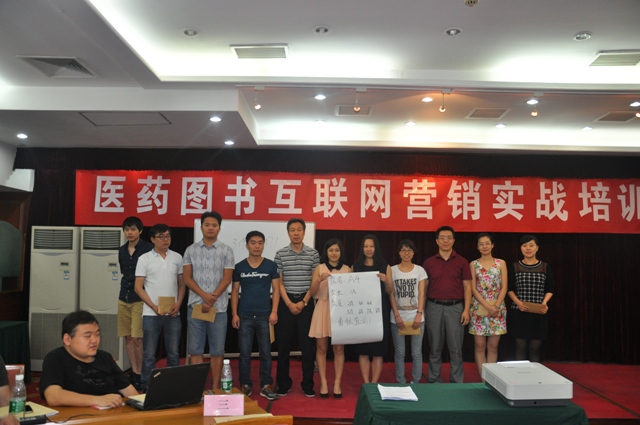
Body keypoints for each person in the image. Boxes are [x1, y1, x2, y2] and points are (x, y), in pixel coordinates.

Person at [39, 310, 138, 407]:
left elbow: (129, 391)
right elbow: (53, 396)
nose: (94, 340)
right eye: (87, 336)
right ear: (67, 339)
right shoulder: (55, 358)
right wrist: (98, 400)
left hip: (112, 413)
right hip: (78, 415)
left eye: (97, 334)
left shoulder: (105, 357)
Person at [183, 211, 235, 391]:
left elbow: (227, 279)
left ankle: (215, 387)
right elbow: (187, 278)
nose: (210, 228)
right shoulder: (190, 250)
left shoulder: (226, 250)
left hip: (219, 309)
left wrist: (211, 299)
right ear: (201, 227)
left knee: (217, 351)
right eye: (207, 225)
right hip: (196, 307)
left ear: (219, 228)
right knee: (195, 350)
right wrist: (205, 296)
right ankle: (197, 388)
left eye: (214, 225)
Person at [134, 224, 185, 391]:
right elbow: (138, 287)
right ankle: (146, 386)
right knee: (149, 354)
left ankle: (172, 386)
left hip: (173, 313)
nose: (165, 239)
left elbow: (182, 284)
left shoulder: (177, 257)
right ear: (152, 239)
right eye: (161, 237)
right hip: (151, 313)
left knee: (174, 353)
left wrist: (178, 304)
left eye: (168, 236)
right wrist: (153, 306)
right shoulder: (144, 259)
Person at [231, 230, 280, 401]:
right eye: (253, 243)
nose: (257, 246)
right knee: (244, 353)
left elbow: (277, 289)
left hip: (265, 316)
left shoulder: (271, 266)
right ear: (247, 245)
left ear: (264, 245)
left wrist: (274, 311)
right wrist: (234, 314)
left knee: (266, 352)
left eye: (260, 243)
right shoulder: (239, 267)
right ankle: (245, 385)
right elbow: (235, 291)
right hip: (244, 315)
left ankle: (266, 385)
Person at [274, 218, 320, 397]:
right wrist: (288, 303)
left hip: (306, 303)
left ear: (304, 232)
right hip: (286, 303)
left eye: (299, 229)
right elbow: (279, 283)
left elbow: (315, 282)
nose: (296, 233)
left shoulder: (313, 254)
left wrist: (303, 302)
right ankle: (283, 384)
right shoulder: (280, 254)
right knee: (283, 346)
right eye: (292, 230)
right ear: (288, 233)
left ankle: (307, 384)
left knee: (308, 347)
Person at [422, 226, 472, 383]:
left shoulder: (462, 262)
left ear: (453, 240)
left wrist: (466, 310)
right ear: (437, 241)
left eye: (449, 238)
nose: (445, 241)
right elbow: (424, 289)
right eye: (442, 238)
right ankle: (434, 380)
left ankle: (456, 382)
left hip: (456, 308)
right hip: (433, 307)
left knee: (456, 349)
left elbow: (467, 287)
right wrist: (422, 310)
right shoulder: (428, 263)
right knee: (434, 347)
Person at [308, 238, 351, 399]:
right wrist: (319, 279)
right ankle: (323, 382)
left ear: (341, 252)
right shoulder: (319, 269)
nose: (334, 253)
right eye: (331, 250)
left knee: (339, 349)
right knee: (321, 348)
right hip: (323, 308)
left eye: (337, 250)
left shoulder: (347, 270)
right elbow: (312, 292)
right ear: (326, 252)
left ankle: (337, 383)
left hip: (340, 310)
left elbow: (352, 293)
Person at [351, 235, 393, 384]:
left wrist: (386, 281)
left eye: (371, 246)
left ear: (376, 248)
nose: (368, 249)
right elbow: (351, 290)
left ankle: (374, 383)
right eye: (366, 246)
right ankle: (366, 383)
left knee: (378, 351)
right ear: (362, 249)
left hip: (379, 313)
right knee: (363, 350)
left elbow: (390, 291)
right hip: (362, 313)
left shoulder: (385, 266)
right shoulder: (355, 267)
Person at [117, 216, 152, 390]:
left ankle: (141, 373)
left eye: (133, 229)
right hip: (123, 297)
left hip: (140, 298)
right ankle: (134, 371)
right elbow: (124, 272)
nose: (129, 232)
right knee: (128, 337)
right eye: (127, 229)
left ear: (140, 231)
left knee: (137, 338)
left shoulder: (148, 248)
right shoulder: (122, 250)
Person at [507, 234, 554, 362]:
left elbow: (550, 289)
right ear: (521, 248)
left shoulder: (545, 267)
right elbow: (509, 289)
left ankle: (535, 374)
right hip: (519, 312)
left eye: (531, 245)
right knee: (520, 348)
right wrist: (518, 303)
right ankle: (519, 374)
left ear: (537, 248)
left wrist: (544, 303)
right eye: (525, 245)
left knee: (535, 348)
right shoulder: (514, 266)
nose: (528, 248)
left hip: (538, 312)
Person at [468, 233, 507, 379]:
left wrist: (495, 306)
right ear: (477, 247)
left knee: (493, 346)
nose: (484, 246)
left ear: (492, 245)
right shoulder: (473, 264)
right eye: (481, 244)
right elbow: (473, 288)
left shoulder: (501, 263)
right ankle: (483, 379)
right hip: (479, 307)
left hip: (497, 307)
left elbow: (504, 287)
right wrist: (487, 306)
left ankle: (491, 379)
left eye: (487, 243)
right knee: (479, 346)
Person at [389, 239, 427, 384]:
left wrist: (419, 314)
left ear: (413, 252)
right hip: (398, 317)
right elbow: (391, 294)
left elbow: (422, 293)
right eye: (403, 250)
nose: (406, 253)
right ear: (399, 253)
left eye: (409, 250)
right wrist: (397, 315)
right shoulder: (392, 270)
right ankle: (401, 381)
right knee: (400, 352)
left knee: (416, 352)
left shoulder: (420, 270)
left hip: (416, 317)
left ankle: (416, 381)